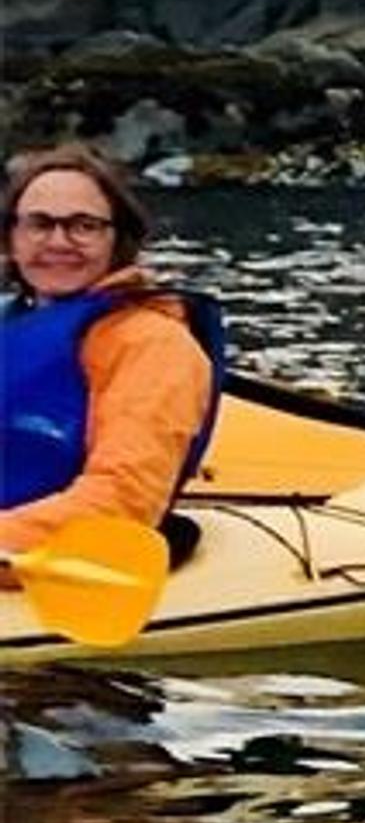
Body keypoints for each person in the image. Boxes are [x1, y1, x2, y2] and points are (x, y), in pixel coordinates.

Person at [2, 142, 225, 559]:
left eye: (83, 225)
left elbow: (122, 499)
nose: (58, 241)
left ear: (117, 239)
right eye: (39, 224)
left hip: (56, 565)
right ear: (12, 239)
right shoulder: (9, 323)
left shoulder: (154, 345)